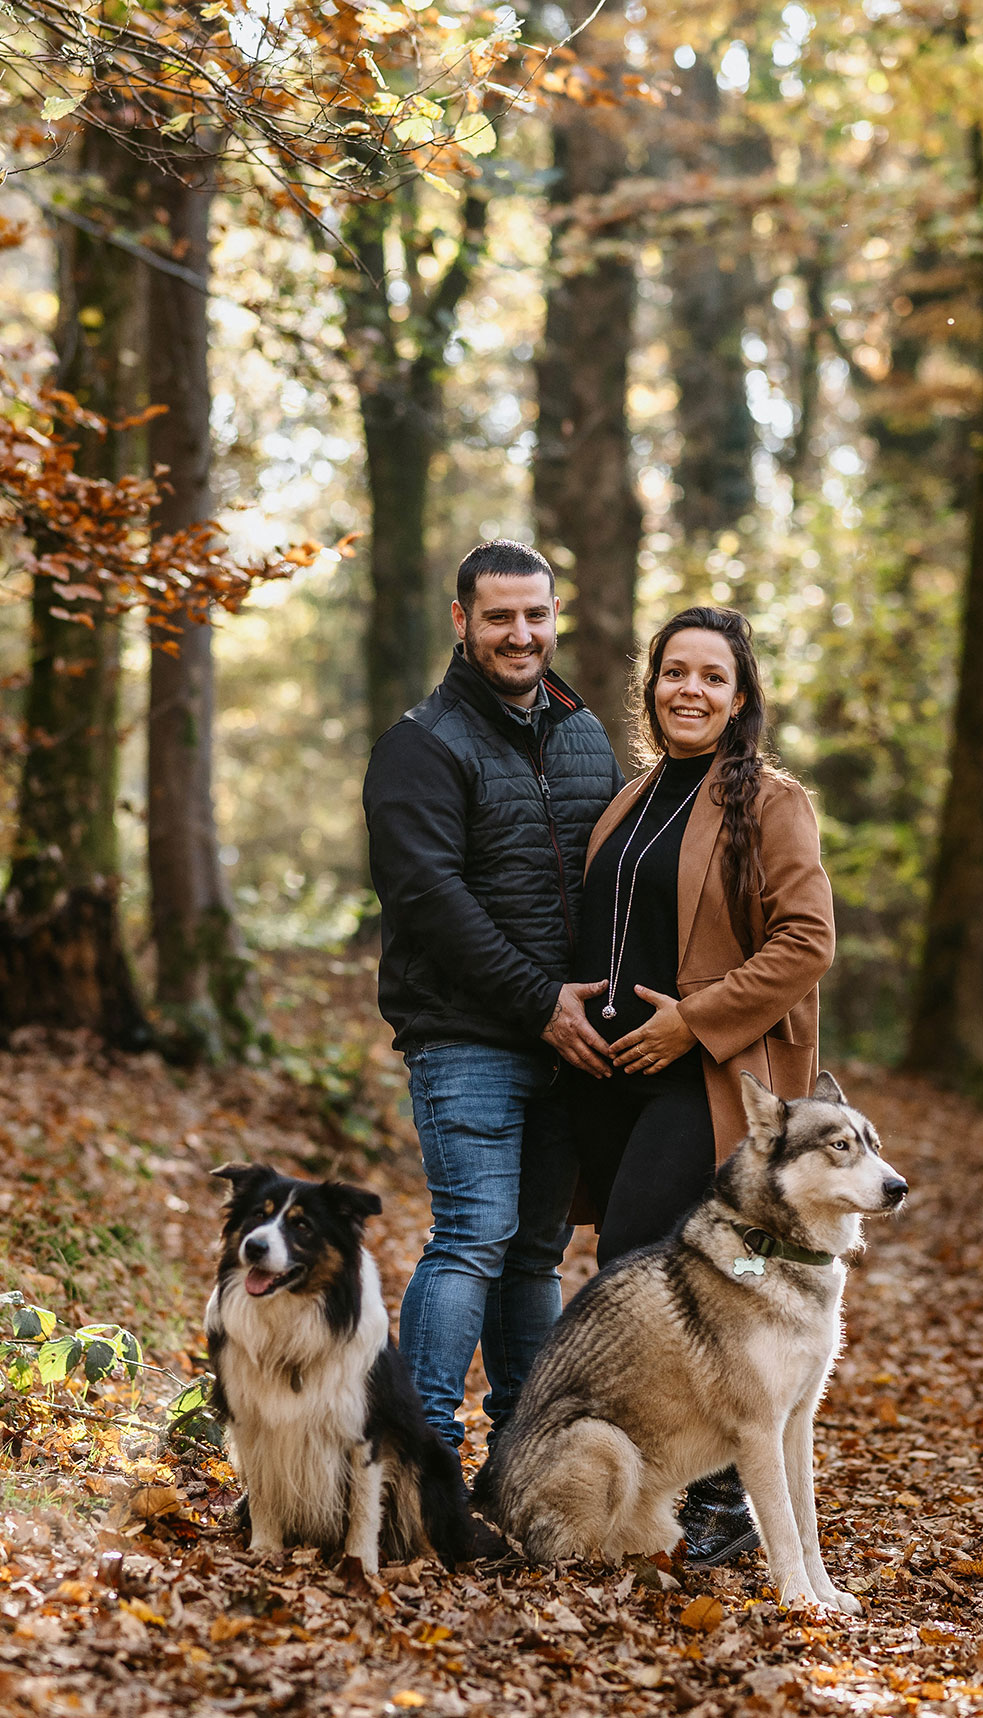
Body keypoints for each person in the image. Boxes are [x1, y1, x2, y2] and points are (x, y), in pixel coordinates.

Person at [564, 604, 836, 1563]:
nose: (691, 690)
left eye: (712, 677)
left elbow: (807, 941)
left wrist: (693, 1019)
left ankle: (719, 1499)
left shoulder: (770, 802)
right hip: (607, 1076)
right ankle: (620, 1480)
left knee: (655, 1264)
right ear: (651, 689)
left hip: (708, 1074)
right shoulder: (633, 798)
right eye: (675, 673)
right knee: (633, 1274)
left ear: (741, 697)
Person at [362, 540, 624, 1451]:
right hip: (468, 1034)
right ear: (462, 620)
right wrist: (538, 1001)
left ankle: (522, 1453)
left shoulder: (586, 734)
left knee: (536, 1254)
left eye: (537, 615)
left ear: (556, 618)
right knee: (475, 1233)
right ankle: (419, 1449)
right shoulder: (419, 746)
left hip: (568, 1042)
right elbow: (429, 900)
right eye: (501, 615)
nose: (521, 634)